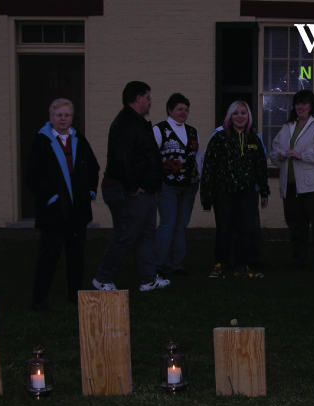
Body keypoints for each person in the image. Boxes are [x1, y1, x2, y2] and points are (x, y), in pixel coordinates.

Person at [92, 81, 170, 292]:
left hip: (144, 190)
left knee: (146, 234)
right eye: (149, 97)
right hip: (126, 190)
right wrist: (133, 187)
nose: (150, 102)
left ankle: (148, 279)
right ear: (138, 98)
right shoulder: (126, 123)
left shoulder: (137, 122)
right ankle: (102, 278)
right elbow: (122, 159)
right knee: (126, 233)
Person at [26, 98, 100, 312]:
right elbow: (32, 175)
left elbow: (93, 167)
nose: (62, 119)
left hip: (77, 211)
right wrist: (51, 197)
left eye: (66, 115)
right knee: (48, 256)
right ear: (50, 117)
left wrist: (90, 192)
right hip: (53, 212)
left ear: (72, 118)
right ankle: (39, 300)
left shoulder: (79, 140)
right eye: (58, 115)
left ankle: (75, 296)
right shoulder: (41, 142)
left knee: (76, 255)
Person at [270, 90, 314, 271]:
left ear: (312, 104)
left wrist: (302, 155)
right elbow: (275, 147)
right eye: (297, 103)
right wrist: (279, 156)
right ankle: (299, 262)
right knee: (297, 228)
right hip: (292, 185)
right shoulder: (288, 126)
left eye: (304, 103)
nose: (300, 107)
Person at [201, 101, 270, 278]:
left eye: (243, 113)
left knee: (245, 230)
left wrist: (264, 191)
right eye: (236, 113)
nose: (240, 116)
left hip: (248, 193)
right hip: (223, 192)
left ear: (248, 117)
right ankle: (220, 264)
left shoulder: (254, 138)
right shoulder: (219, 137)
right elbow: (209, 165)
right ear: (230, 116)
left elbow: (261, 167)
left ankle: (241, 267)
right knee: (224, 229)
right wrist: (206, 193)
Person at [151, 93, 202, 278]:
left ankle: (176, 266)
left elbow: (198, 155)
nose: (183, 113)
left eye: (186, 110)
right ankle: (157, 265)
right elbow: (152, 156)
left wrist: (199, 176)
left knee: (181, 226)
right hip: (167, 187)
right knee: (168, 224)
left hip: (189, 187)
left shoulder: (192, 131)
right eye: (180, 109)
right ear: (170, 110)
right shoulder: (159, 130)